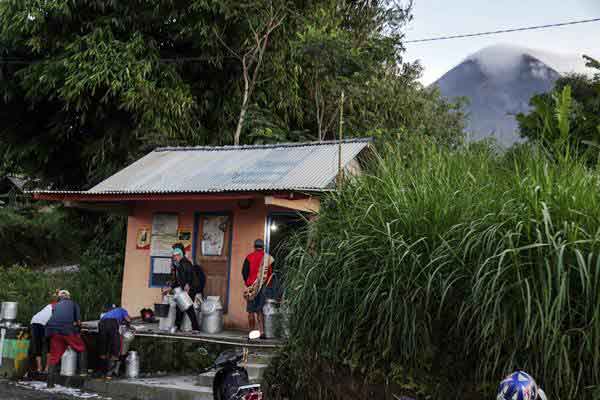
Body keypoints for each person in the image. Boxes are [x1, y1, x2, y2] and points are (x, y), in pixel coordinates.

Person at [45, 290, 86, 388]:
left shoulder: (56, 305)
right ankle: (83, 373)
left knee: (54, 357)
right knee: (81, 348)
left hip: (53, 331)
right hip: (66, 330)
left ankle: (50, 384)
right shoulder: (73, 304)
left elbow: (56, 317)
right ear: (69, 296)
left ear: (60, 297)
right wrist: (79, 326)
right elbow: (78, 321)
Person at [242, 239, 274, 335]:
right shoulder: (268, 258)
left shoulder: (249, 257)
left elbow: (244, 272)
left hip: (251, 288)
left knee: (251, 311)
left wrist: (248, 284)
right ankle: (261, 332)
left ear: (254, 246)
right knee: (260, 311)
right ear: (263, 247)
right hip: (262, 287)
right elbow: (271, 274)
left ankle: (251, 332)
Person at [165, 245, 200, 331]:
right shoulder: (178, 265)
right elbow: (178, 280)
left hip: (191, 288)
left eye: (175, 256)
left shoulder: (185, 263)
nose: (174, 257)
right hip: (185, 288)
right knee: (180, 307)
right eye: (173, 256)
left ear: (180, 255)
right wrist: (171, 287)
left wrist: (188, 284)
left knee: (188, 308)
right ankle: (177, 326)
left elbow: (190, 274)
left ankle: (195, 328)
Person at [98, 304, 131, 378]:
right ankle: (111, 372)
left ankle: (102, 371)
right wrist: (128, 324)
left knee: (103, 346)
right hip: (112, 323)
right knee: (116, 345)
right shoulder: (122, 310)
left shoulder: (108, 312)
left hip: (101, 324)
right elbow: (128, 319)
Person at [29, 294, 58, 375]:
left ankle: (39, 368)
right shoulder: (57, 306)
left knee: (38, 345)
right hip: (43, 323)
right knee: (49, 345)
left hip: (34, 321)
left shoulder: (49, 305)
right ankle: (47, 368)